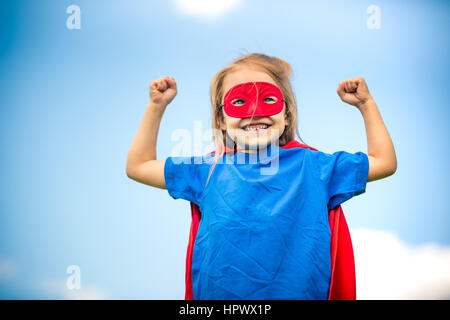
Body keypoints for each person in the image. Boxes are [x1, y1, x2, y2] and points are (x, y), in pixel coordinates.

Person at [126, 53, 397, 299]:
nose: (254, 112)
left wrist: (366, 104)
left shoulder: (314, 167)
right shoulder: (205, 170)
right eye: (239, 101)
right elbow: (138, 166)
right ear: (221, 120)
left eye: (267, 99)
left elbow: (383, 163)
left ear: (287, 115)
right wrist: (156, 106)